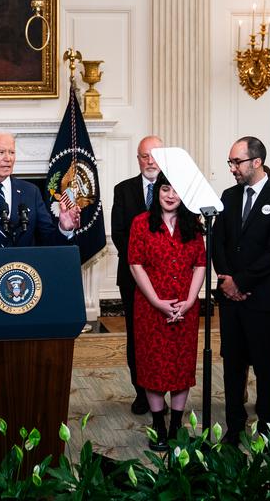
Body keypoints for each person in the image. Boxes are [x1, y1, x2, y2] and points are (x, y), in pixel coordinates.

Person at [211, 136, 270, 444]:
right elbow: (218, 242)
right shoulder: (228, 196)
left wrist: (241, 282)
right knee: (233, 364)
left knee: (264, 365)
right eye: (230, 162)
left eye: (237, 162)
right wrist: (226, 280)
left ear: (256, 162)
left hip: (261, 298)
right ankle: (234, 425)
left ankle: (266, 427)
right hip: (231, 298)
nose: (232, 168)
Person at [128, 171, 206, 451]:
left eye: (176, 190)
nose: (170, 195)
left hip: (185, 308)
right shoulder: (141, 223)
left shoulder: (194, 226)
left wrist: (189, 299)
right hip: (151, 308)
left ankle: (176, 425)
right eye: (165, 189)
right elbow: (135, 264)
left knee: (180, 366)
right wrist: (157, 302)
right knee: (154, 366)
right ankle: (158, 424)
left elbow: (200, 264)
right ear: (157, 193)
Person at [111, 135, 164, 416]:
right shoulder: (124, 190)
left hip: (169, 279)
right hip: (132, 278)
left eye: (154, 155)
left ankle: (164, 389)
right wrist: (143, 266)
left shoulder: (175, 189)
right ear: (138, 159)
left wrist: (162, 267)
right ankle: (142, 393)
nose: (150, 161)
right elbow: (119, 234)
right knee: (138, 337)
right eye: (144, 156)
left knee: (165, 338)